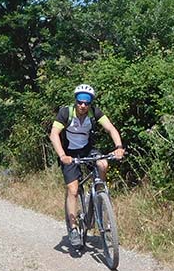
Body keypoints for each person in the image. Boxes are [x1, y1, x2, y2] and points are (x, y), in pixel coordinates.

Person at [49, 84, 125, 249]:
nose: (83, 105)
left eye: (87, 102)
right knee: (73, 190)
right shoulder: (66, 113)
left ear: (91, 103)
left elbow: (111, 128)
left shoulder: (94, 112)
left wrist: (119, 147)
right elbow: (54, 134)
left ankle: (100, 194)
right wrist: (62, 156)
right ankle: (73, 228)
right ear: (75, 101)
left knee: (103, 163)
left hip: (87, 149)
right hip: (69, 153)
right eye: (80, 102)